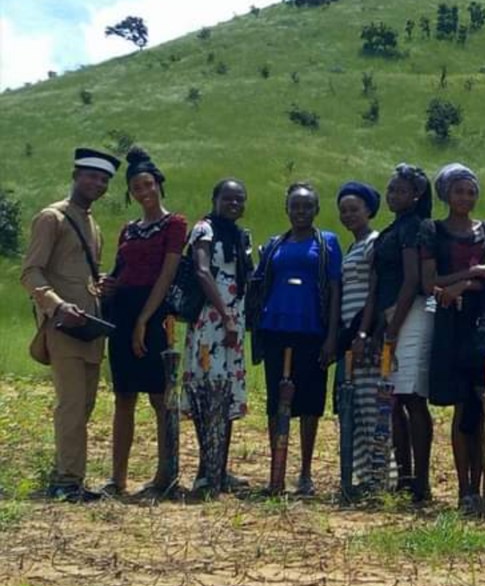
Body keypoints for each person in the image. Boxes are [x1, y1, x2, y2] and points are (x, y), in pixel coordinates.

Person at [21, 147, 121, 502]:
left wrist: (103, 284)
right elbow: (31, 272)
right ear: (76, 175)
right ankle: (65, 482)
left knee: (86, 405)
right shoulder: (52, 218)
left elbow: (81, 274)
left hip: (90, 328)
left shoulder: (92, 224)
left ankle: (71, 476)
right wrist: (58, 306)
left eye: (105, 179)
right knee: (72, 405)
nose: (98, 183)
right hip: (63, 328)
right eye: (92, 176)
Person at [420, 163, 485, 515]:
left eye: (471, 191)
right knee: (461, 404)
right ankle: (464, 489)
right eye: (459, 191)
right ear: (446, 194)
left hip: (483, 323)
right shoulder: (433, 231)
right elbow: (430, 283)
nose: (466, 197)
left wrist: (464, 284)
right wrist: (473, 272)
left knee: (483, 401)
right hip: (450, 324)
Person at [101, 147, 187, 496]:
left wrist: (144, 320)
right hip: (122, 311)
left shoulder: (175, 224)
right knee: (123, 397)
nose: (144, 192)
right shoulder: (128, 230)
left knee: (160, 397)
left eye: (148, 184)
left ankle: (165, 475)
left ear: (158, 184)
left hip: (156, 313)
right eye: (137, 187)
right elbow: (123, 271)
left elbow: (167, 274)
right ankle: (117, 478)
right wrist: (108, 284)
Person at [251, 183, 342, 495]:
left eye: (307, 207)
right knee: (276, 402)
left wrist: (332, 337)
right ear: (286, 209)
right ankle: (276, 470)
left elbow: (334, 290)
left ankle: (305, 473)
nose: (300, 212)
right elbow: (261, 283)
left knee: (309, 402)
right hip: (276, 327)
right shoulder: (276, 244)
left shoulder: (327, 242)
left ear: (316, 210)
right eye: (295, 206)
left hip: (313, 331)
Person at [353, 164, 434, 502]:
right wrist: (375, 328)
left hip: (411, 315)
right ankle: (403, 475)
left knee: (413, 397)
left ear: (416, 195)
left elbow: (412, 280)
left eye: (400, 190)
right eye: (391, 190)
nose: (393, 195)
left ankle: (421, 481)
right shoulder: (392, 229)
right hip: (390, 317)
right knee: (394, 397)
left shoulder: (415, 227)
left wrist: (393, 328)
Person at [181, 178, 253, 494]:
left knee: (226, 395)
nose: (234, 204)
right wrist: (225, 315)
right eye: (228, 199)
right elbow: (202, 270)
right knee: (208, 391)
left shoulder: (240, 235)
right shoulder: (204, 230)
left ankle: (219, 469)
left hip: (233, 323)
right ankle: (205, 470)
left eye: (239, 200)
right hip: (211, 321)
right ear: (215, 199)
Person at [335, 181, 394, 491]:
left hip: (367, 335)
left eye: (354, 209)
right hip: (351, 336)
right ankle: (365, 476)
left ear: (369, 210)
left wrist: (366, 332)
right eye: (343, 210)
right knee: (357, 406)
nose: (348, 215)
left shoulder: (374, 243)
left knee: (374, 409)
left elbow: (375, 290)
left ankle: (382, 477)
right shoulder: (352, 246)